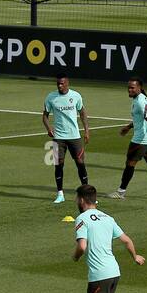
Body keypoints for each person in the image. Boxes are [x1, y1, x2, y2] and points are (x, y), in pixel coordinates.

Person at [72, 184, 143, 293]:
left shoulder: (82, 219)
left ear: (81, 200)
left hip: (99, 275)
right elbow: (126, 240)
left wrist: (75, 256)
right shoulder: (108, 218)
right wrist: (135, 256)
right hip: (114, 272)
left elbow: (82, 246)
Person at [42, 74, 91, 204]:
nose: (59, 86)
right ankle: (60, 194)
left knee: (80, 163)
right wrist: (48, 128)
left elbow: (82, 113)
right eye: (58, 83)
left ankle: (86, 194)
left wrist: (86, 130)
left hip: (75, 136)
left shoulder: (76, 96)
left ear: (67, 83)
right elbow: (45, 116)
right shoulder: (51, 97)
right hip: (59, 138)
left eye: (62, 83)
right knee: (58, 165)